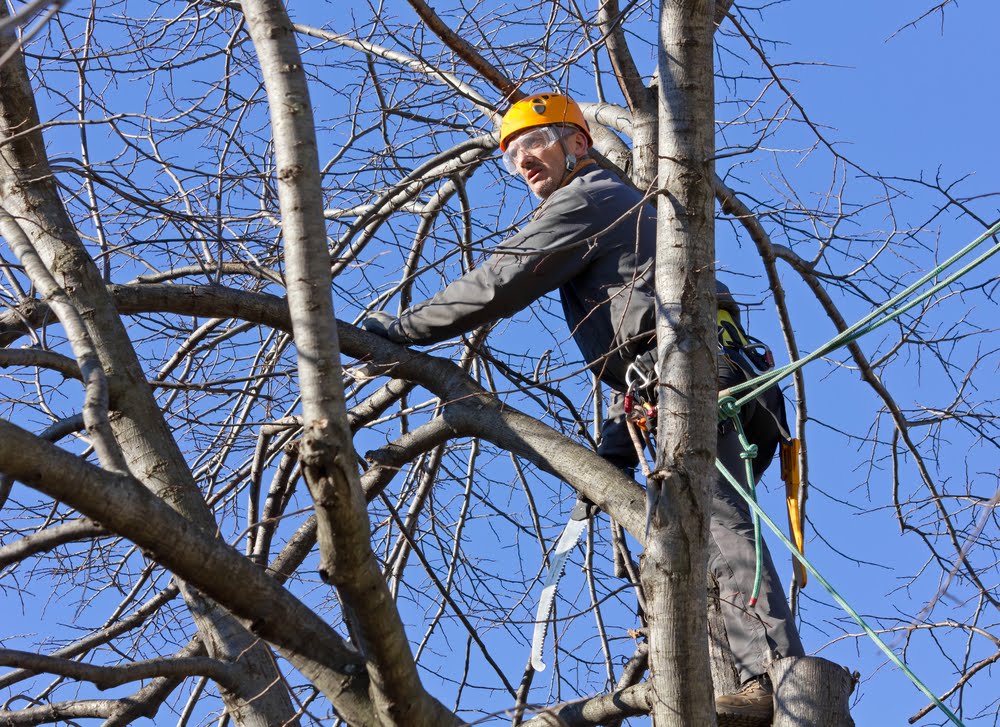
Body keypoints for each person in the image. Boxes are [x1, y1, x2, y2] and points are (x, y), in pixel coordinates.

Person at [362, 92, 804, 722]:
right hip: (683, 383)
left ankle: (773, 678)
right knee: (689, 542)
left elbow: (504, 277)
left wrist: (404, 329)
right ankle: (729, 687)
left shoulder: (591, 196)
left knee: (717, 523)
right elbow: (644, 343)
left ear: (578, 144)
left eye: (533, 144)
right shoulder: (621, 206)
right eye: (511, 155)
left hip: (704, 379)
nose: (521, 164)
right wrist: (612, 455)